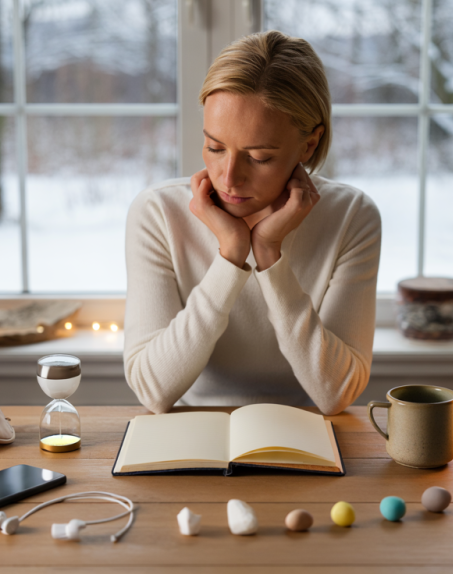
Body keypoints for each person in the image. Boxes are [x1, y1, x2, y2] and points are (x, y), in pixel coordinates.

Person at [123, 30, 381, 415]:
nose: (229, 178)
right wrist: (230, 257)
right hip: (193, 438)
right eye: (215, 147)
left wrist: (269, 257)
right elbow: (152, 388)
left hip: (308, 438)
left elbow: (337, 393)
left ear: (308, 144)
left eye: (259, 157)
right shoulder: (158, 214)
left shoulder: (352, 217)